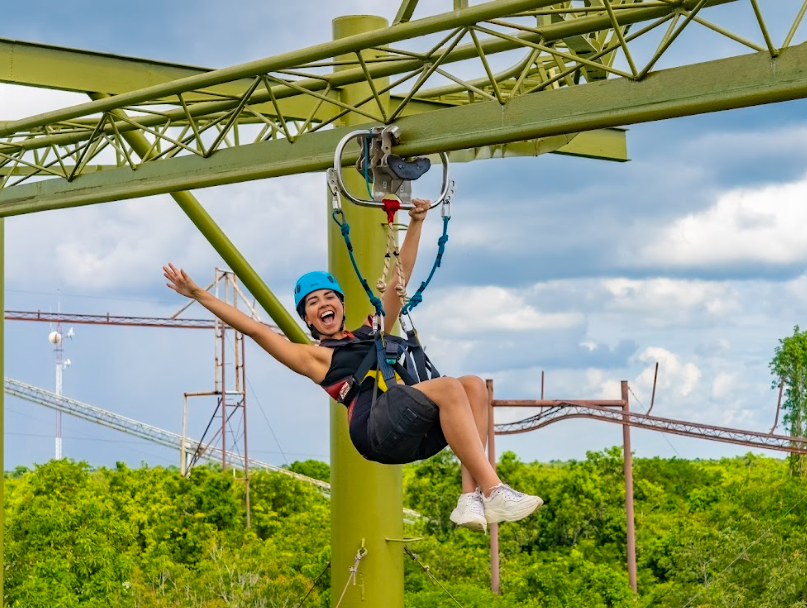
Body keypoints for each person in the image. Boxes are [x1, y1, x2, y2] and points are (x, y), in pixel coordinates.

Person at [163, 198, 542, 532]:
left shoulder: (370, 332)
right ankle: (494, 488)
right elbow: (256, 331)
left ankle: (469, 497)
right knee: (448, 387)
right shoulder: (314, 358)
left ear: (342, 306)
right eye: (313, 303)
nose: (323, 304)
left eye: (330, 297)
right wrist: (197, 293)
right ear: (308, 320)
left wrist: (417, 224)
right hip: (374, 428)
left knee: (472, 384)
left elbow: (399, 281)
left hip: (410, 429)